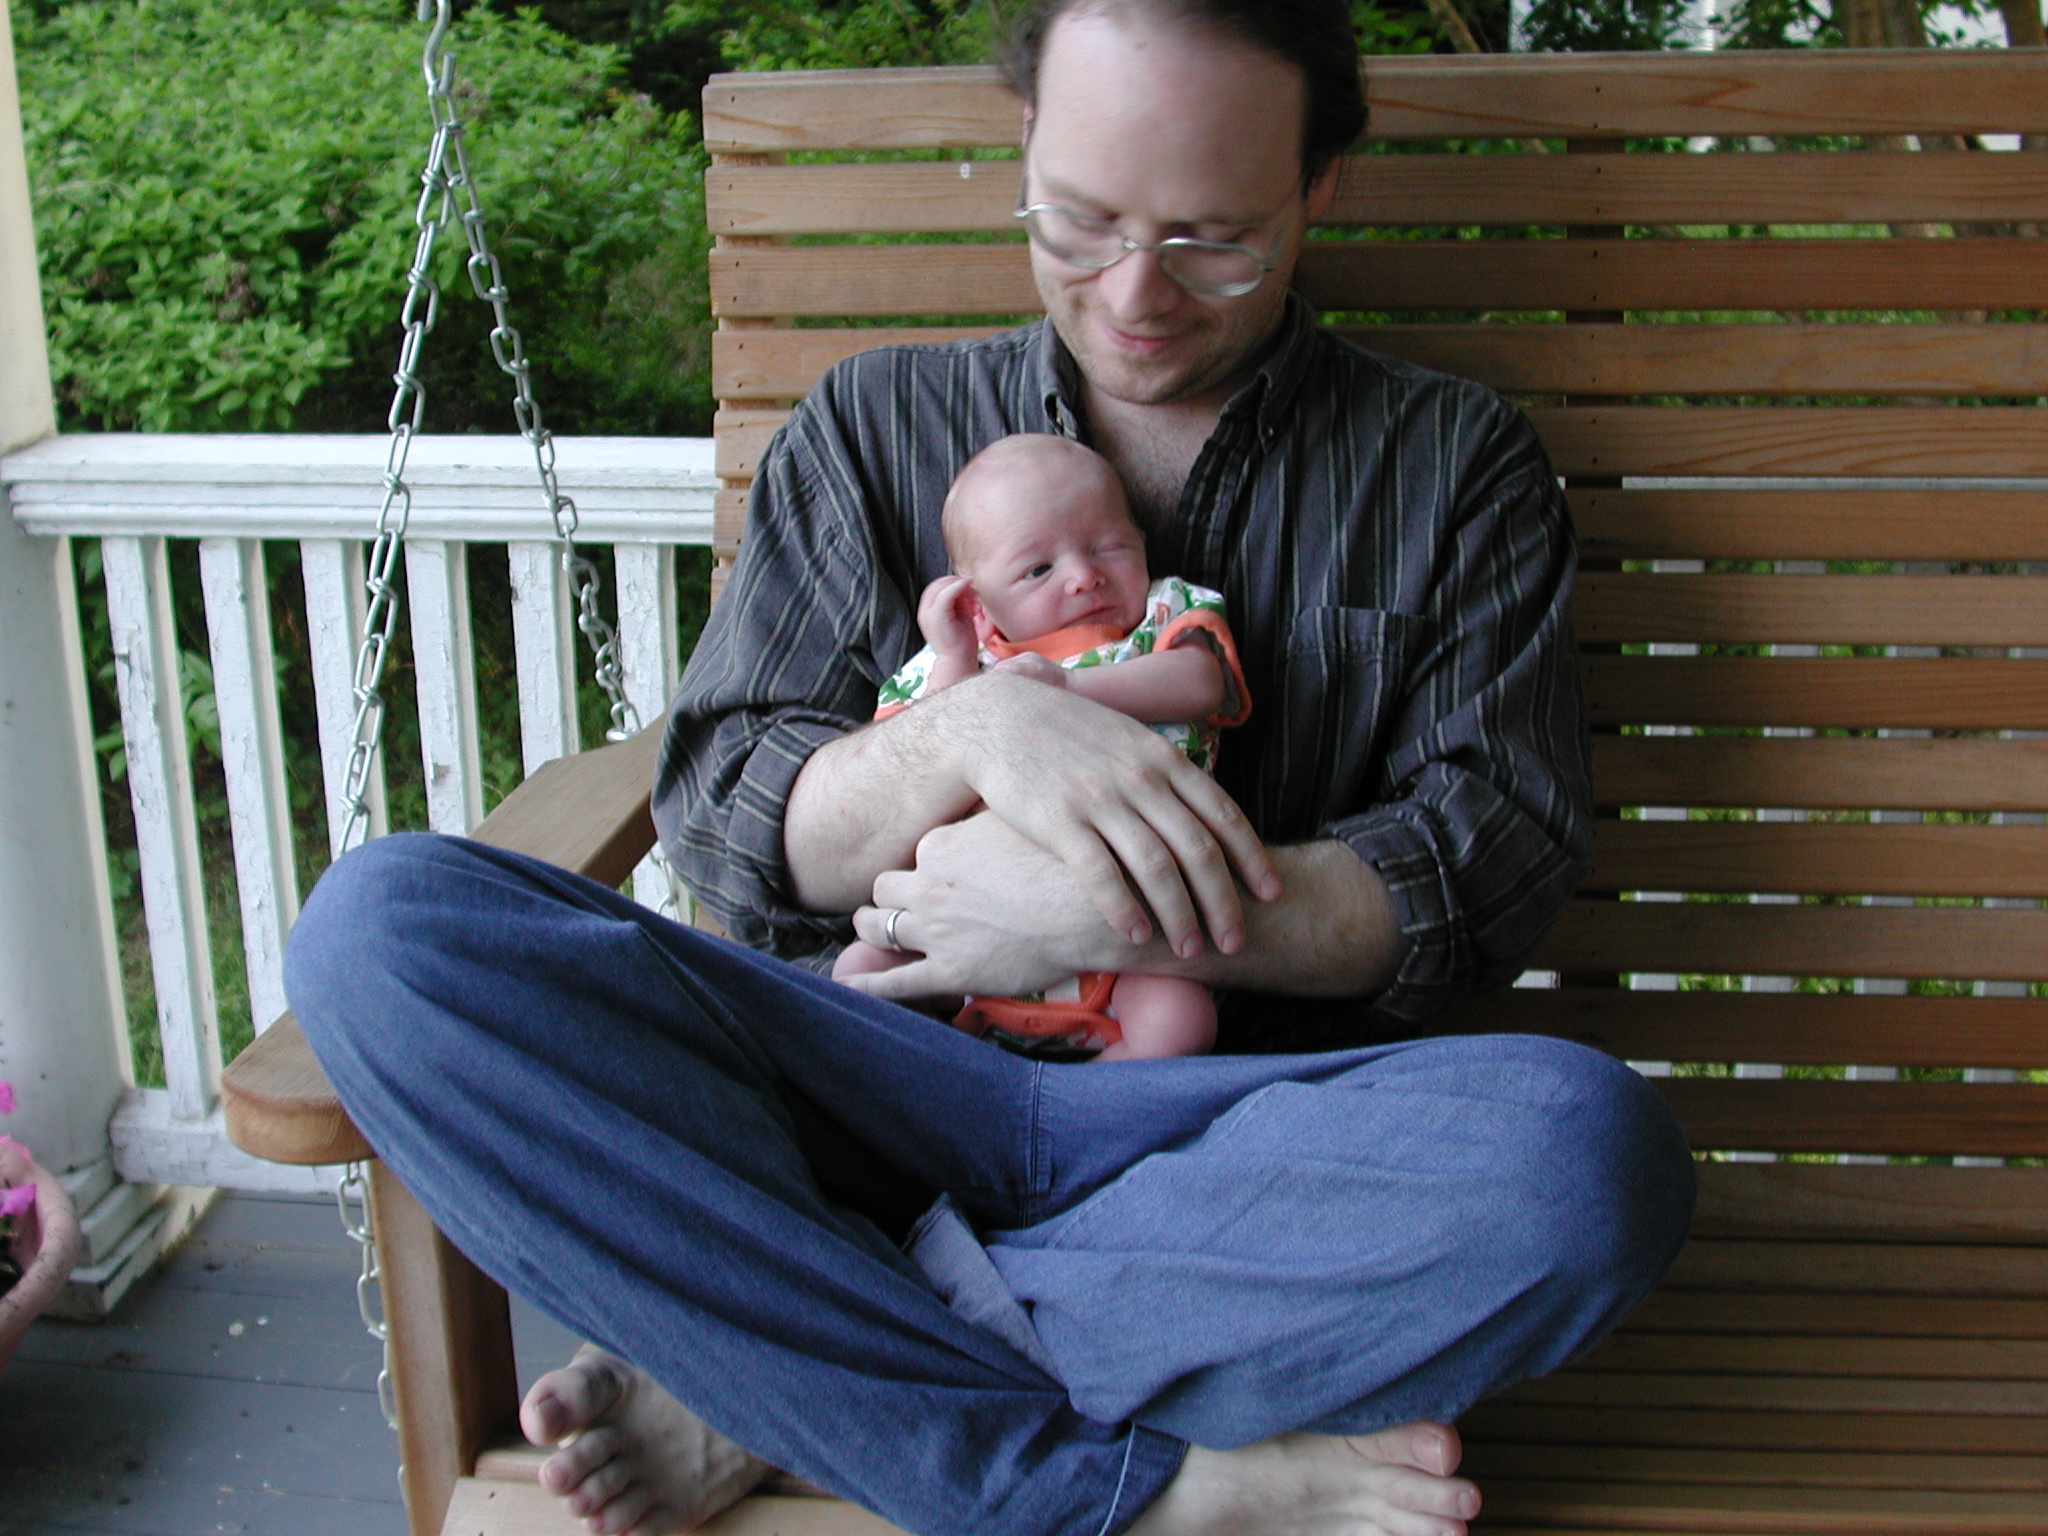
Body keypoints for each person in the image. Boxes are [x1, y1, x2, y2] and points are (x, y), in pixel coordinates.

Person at [283, 4, 1699, 1536]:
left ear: (1319, 186)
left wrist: (1121, 919)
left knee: (1585, 1165)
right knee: (383, 934)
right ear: (1025, 142)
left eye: (1215, 239)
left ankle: (792, 1374)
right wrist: (972, 729)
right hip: (858, 1085)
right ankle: (1108, 1475)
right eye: (1080, 221)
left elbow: (1488, 859)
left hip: (1219, 1149)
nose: (1136, 294)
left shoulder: (1450, 466)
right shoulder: (872, 429)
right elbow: (733, 820)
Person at [833, 432, 1247, 1060]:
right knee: (857, 974)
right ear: (975, 603)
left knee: (1182, 1024)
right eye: (1038, 570)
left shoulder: (1160, 619)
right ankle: (948, 1084)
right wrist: (954, 660)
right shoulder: (961, 660)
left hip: (1128, 938)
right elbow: (912, 754)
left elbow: (1201, 683)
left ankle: (1083, 1101)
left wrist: (1069, 687)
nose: (1084, 576)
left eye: (1108, 546)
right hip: (961, 924)